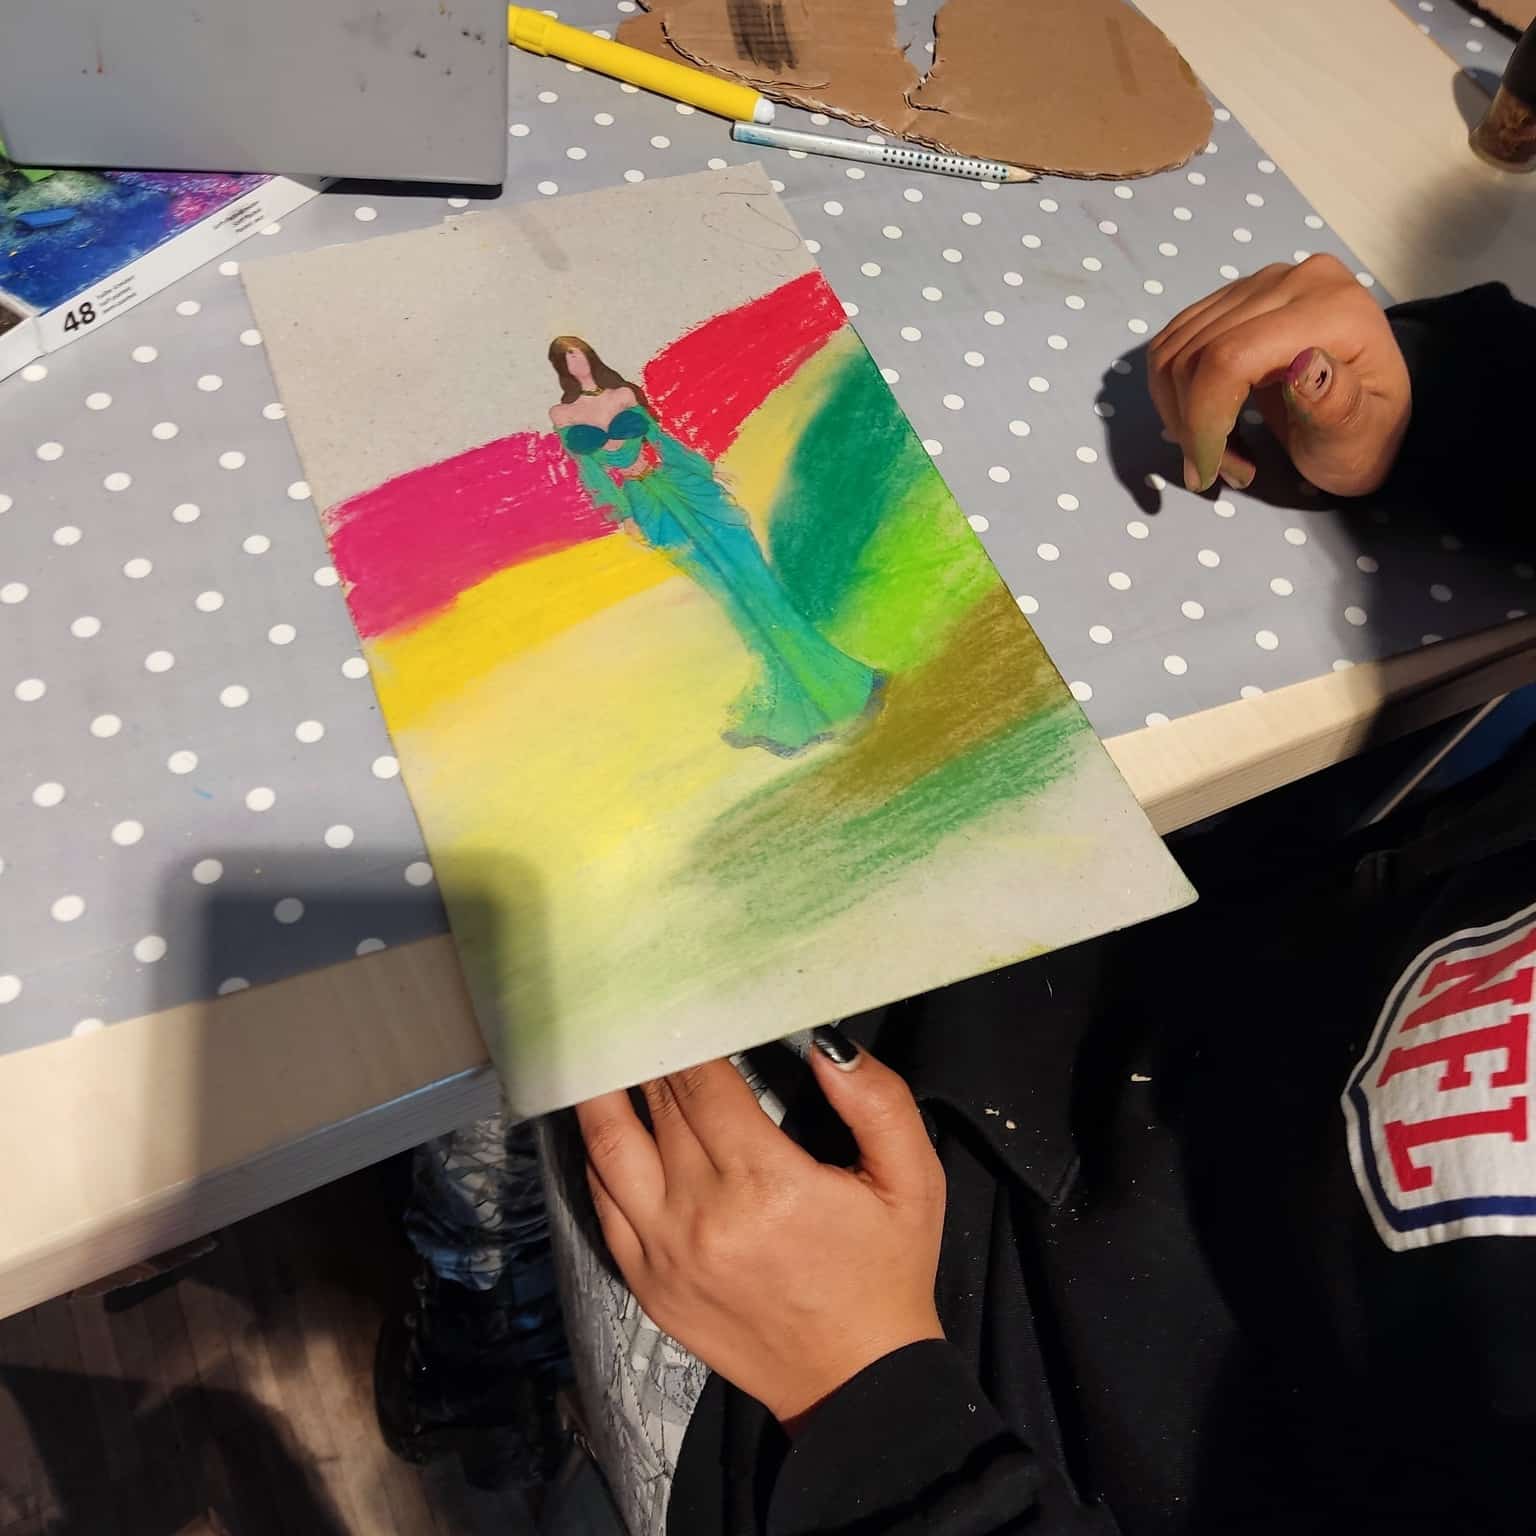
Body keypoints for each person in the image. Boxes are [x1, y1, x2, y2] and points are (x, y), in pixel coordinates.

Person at [568, 255, 1536, 1534]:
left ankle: (482, 1314)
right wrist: (1442, 404)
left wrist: (875, 1408)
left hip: (907, 1403)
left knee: (514, 1004)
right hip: (1088, 981)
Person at [547, 335, 883, 757]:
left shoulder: (623, 394)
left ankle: (839, 682)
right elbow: (590, 472)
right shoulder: (563, 414)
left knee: (759, 585)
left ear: (590, 355)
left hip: (689, 492)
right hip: (650, 508)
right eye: (566, 358)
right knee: (731, 599)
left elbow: (664, 442)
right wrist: (622, 514)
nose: (575, 362)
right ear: (560, 366)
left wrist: (707, 470)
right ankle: (787, 700)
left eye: (578, 353)